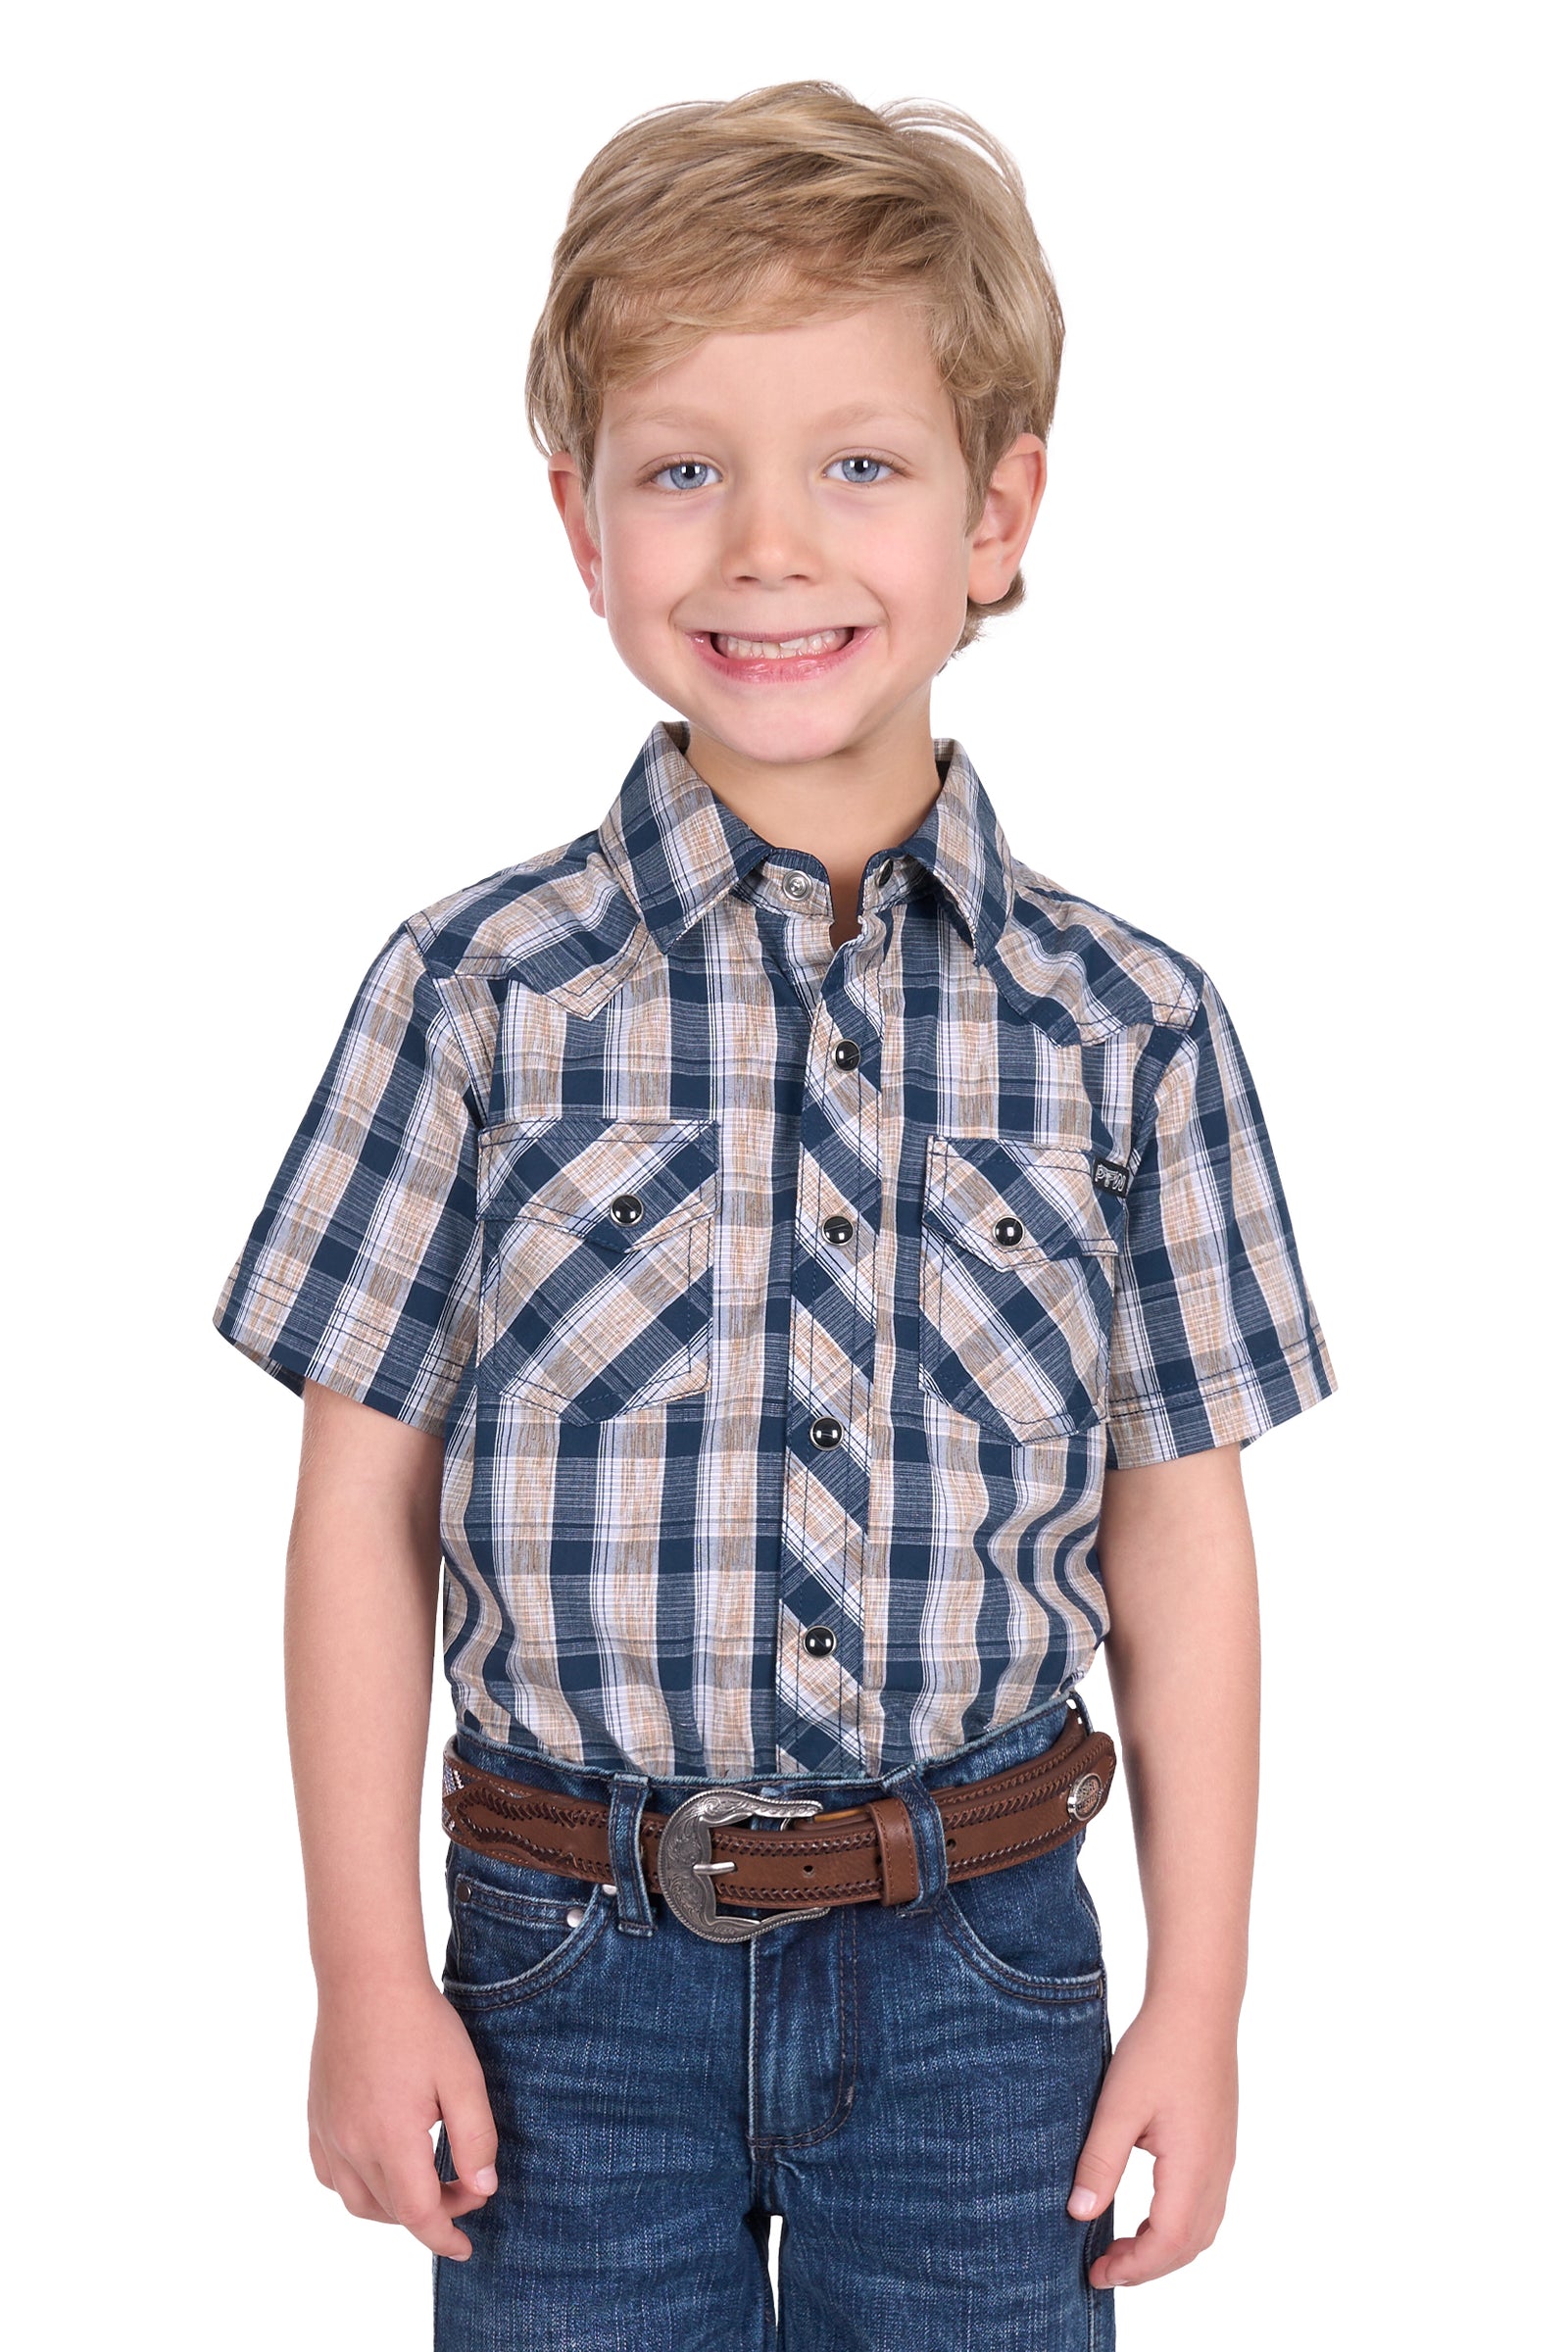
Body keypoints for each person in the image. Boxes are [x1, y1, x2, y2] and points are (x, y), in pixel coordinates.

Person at [213, 80, 1338, 2350]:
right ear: (579, 521)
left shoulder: (1128, 1029)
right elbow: (359, 1509)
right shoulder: (474, 999)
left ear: (994, 513)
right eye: (680, 470)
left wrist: (1197, 2004)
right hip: (560, 1976)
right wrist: (362, 1974)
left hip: (979, 1973)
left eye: (858, 464)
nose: (763, 546)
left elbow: (1178, 1536)